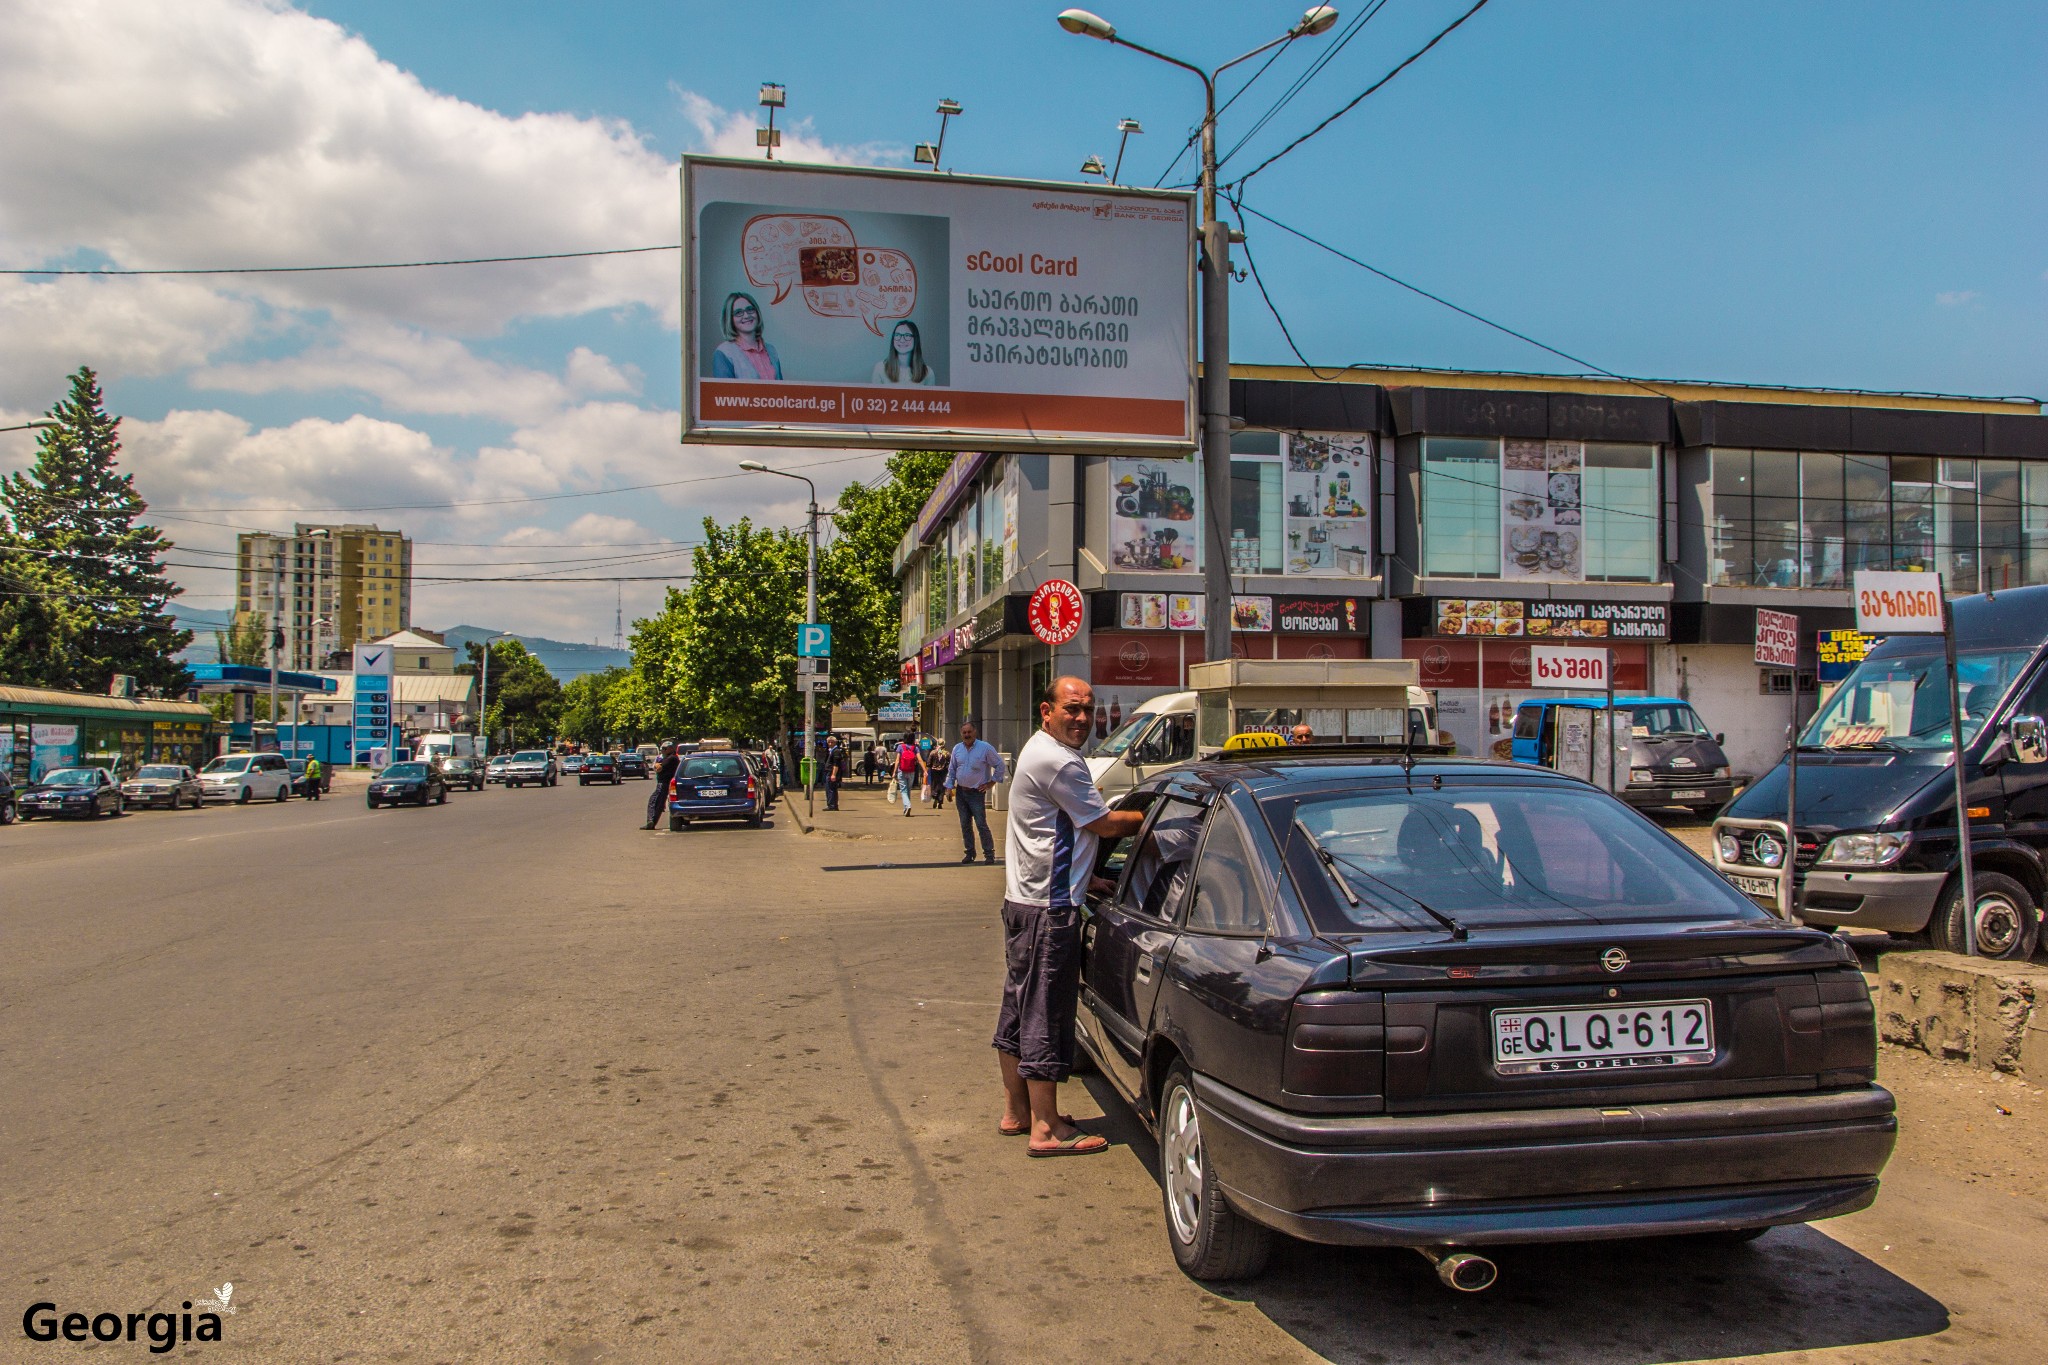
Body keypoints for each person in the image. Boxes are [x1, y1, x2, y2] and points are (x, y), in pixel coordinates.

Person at [994, 677, 1146, 1157]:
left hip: (1028, 902)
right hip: (1049, 910)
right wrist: (1154, 814)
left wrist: (1086, 879)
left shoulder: (1041, 750)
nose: (1082, 718)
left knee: (1019, 1012)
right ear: (1047, 710)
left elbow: (1062, 833)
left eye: (1088, 710)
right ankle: (1046, 1129)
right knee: (1046, 1015)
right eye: (1072, 709)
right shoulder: (1058, 761)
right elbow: (1101, 824)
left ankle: (1018, 1112)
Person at [947, 721, 1005, 864]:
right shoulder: (957, 749)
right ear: (961, 734)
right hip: (961, 792)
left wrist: (991, 782)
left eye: (969, 732)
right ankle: (969, 853)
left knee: (981, 824)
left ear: (975, 732)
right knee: (965, 824)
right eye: (964, 733)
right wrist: (949, 787)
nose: (967, 735)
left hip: (976, 793)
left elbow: (1000, 765)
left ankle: (989, 855)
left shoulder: (985, 748)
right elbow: (952, 769)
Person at [710, 292, 782, 381]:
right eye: (738, 312)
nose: (746, 315)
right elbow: (724, 393)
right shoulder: (724, 352)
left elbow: (781, 391)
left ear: (757, 312)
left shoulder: (772, 350)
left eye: (750, 309)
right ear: (730, 318)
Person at [869, 320, 937, 386]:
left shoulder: (928, 373)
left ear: (915, 339)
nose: (902, 340)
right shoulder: (880, 369)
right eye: (897, 335)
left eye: (907, 335)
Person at [644, 742, 678, 830]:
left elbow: (658, 768)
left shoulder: (671, 758)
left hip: (664, 783)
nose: (663, 751)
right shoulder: (669, 758)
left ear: (670, 749)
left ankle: (651, 820)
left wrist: (657, 766)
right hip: (665, 783)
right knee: (659, 803)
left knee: (653, 801)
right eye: (662, 749)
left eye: (664, 749)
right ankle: (652, 822)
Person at [893, 736, 919, 816]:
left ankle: (907, 806)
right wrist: (925, 770)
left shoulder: (900, 747)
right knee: (908, 790)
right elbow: (919, 759)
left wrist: (894, 772)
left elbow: (897, 760)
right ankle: (906, 809)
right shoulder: (915, 748)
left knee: (903, 790)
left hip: (902, 770)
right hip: (911, 771)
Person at [925, 741, 950, 809]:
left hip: (934, 771)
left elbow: (929, 763)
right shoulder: (947, 753)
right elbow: (949, 763)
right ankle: (940, 801)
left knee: (934, 784)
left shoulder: (933, 752)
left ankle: (935, 797)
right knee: (942, 785)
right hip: (943, 771)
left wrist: (927, 770)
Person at [823, 737, 845, 812]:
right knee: (830, 789)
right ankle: (832, 805)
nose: (830, 744)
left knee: (831, 789)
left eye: (832, 742)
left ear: (835, 743)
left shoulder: (836, 751)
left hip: (831, 772)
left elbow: (836, 764)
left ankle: (832, 805)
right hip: (829, 772)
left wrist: (833, 774)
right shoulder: (831, 751)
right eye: (829, 742)